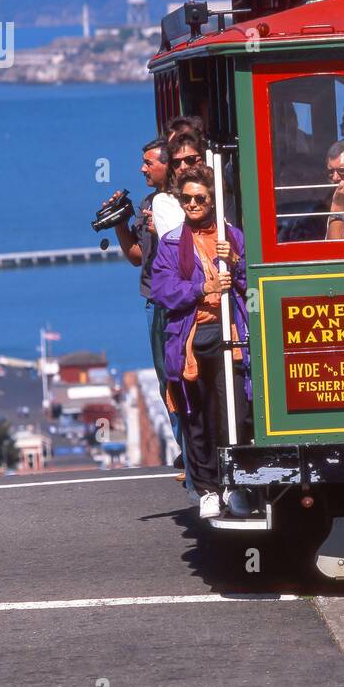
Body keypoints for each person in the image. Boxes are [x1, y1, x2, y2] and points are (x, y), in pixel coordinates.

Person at [150, 166, 251, 519]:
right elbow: (164, 291)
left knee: (234, 415)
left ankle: (235, 486)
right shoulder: (173, 243)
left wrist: (237, 263)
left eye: (200, 198)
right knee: (197, 417)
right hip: (191, 340)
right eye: (187, 198)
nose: (192, 204)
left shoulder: (233, 238)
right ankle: (208, 489)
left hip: (231, 336)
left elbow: (252, 285)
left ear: (213, 200)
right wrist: (202, 288)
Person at [106, 138, 187, 479]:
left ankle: (196, 447)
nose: (142, 169)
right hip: (155, 301)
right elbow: (138, 256)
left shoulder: (187, 201)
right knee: (165, 379)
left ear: (166, 166)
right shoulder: (148, 203)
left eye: (148, 163)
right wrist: (121, 223)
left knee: (184, 375)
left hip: (179, 300)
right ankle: (185, 448)